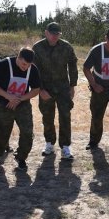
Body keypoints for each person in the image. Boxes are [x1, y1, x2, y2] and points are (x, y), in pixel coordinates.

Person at [0, 47, 40, 169]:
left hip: (23, 103)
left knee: (27, 132)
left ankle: (21, 157)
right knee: (1, 132)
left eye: (28, 65)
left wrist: (20, 99)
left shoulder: (33, 69)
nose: (25, 67)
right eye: (23, 64)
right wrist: (8, 96)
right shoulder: (4, 64)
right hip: (3, 103)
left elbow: (36, 89)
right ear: (18, 57)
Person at [32, 22, 78, 161]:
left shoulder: (66, 47)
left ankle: (65, 147)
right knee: (47, 117)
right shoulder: (37, 48)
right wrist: (40, 89)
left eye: (57, 34)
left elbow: (73, 65)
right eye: (52, 34)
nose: (54, 36)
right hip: (45, 88)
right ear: (46, 33)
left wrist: (72, 86)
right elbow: (33, 70)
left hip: (63, 88)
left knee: (65, 116)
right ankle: (49, 144)